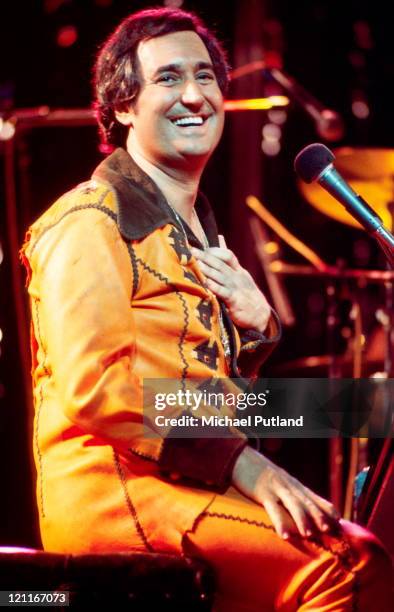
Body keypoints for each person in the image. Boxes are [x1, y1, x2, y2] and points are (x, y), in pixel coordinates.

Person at [20, 7, 392, 611]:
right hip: (119, 496)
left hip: (186, 485)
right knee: (350, 566)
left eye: (206, 77)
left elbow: (213, 404)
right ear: (122, 107)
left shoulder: (192, 236)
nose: (194, 94)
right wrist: (245, 464)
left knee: (374, 422)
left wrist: (259, 332)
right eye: (168, 78)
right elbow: (99, 389)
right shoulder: (89, 219)